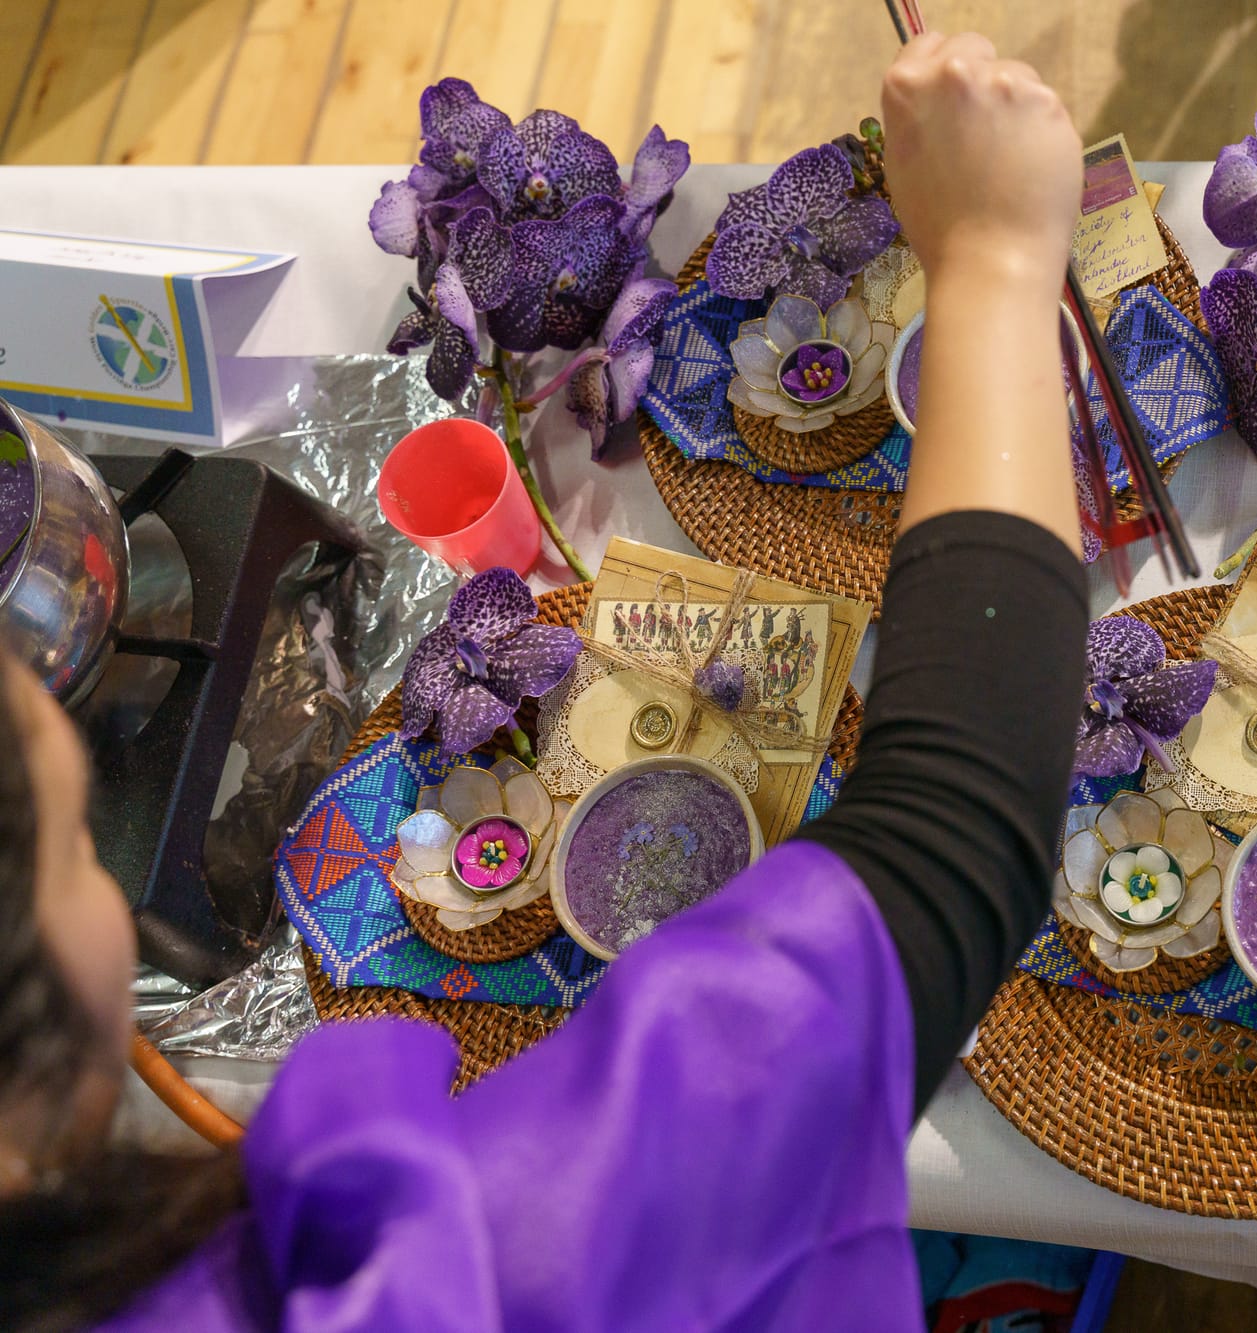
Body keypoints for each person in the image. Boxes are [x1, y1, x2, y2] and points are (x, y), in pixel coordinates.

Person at [0, 31, 1087, 1332]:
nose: (93, 855)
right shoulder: (428, 1270)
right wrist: (1001, 261)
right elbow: (957, 837)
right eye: (76, 839)